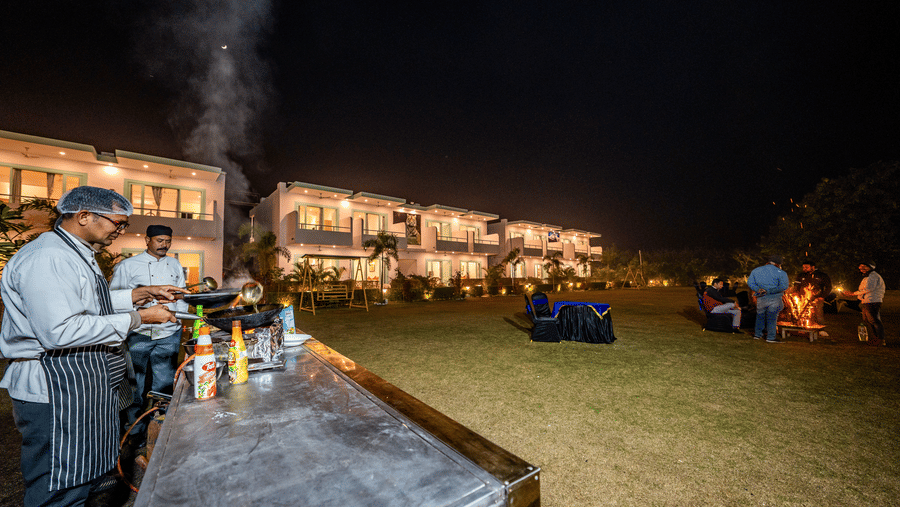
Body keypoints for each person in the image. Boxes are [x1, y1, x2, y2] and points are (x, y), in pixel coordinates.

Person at [0, 187, 183, 506]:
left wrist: (140, 294)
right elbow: (60, 330)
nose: (120, 230)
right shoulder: (48, 257)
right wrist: (139, 317)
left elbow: (85, 302)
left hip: (76, 386)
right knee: (59, 485)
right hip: (53, 390)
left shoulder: (72, 251)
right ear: (84, 216)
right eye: (118, 223)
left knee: (80, 478)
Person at [111, 225, 189, 440]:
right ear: (147, 240)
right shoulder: (127, 266)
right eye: (159, 240)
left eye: (168, 240)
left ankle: (161, 431)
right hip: (139, 332)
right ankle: (135, 433)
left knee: (164, 383)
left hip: (168, 333)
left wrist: (179, 320)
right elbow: (113, 298)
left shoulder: (175, 264)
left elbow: (181, 296)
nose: (165, 245)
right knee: (135, 385)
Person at [747, 255, 790, 343]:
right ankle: (770, 337)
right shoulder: (781, 272)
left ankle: (757, 335)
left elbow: (750, 282)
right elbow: (784, 286)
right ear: (778, 264)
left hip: (761, 297)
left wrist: (758, 289)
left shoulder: (756, 270)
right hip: (774, 298)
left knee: (760, 316)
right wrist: (770, 291)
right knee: (772, 317)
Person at [842, 261, 886, 346]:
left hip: (873, 301)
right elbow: (863, 291)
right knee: (868, 320)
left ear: (871, 267)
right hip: (866, 301)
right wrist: (853, 296)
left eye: (864, 267)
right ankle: (875, 338)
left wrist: (853, 293)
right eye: (860, 268)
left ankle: (880, 339)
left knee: (874, 320)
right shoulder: (866, 278)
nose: (861, 269)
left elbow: (868, 289)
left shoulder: (873, 276)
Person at [794, 260, 832, 335]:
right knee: (801, 313)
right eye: (803, 267)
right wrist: (796, 294)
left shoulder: (822, 275)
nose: (804, 269)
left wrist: (822, 296)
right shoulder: (801, 275)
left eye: (806, 267)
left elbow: (828, 287)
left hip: (817, 298)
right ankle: (801, 327)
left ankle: (821, 329)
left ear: (813, 267)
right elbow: (796, 286)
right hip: (802, 299)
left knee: (818, 313)